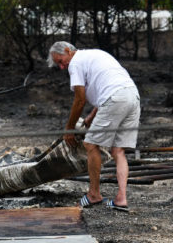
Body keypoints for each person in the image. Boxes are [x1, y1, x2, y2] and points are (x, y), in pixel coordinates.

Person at [47, 41, 140, 212]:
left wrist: (69, 130)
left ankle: (94, 194)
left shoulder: (75, 63)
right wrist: (91, 116)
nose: (61, 67)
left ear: (68, 51)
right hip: (132, 96)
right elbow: (108, 85)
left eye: (60, 61)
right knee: (118, 151)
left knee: (90, 144)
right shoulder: (95, 54)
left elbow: (80, 99)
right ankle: (121, 198)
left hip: (114, 99)